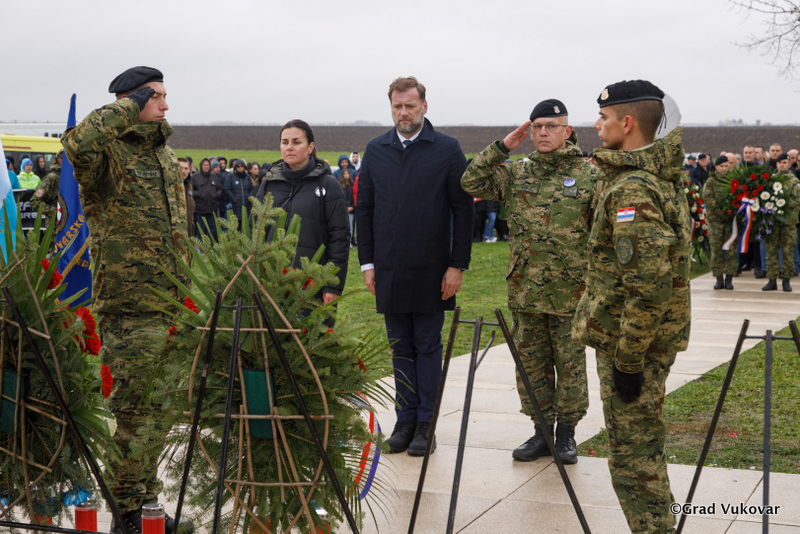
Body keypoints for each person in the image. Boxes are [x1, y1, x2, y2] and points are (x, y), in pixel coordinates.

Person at [61, 66, 191, 534]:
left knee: (160, 413)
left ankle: (145, 503)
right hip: (129, 308)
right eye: (155, 97)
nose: (165, 105)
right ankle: (126, 512)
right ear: (131, 101)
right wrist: (129, 106)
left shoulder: (164, 156)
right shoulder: (106, 154)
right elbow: (76, 144)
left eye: (164, 96)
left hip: (170, 304)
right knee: (135, 413)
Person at [573, 80, 691, 534]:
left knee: (634, 461)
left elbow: (648, 286)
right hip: (641, 340)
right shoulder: (648, 177)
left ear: (626, 123)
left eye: (603, 117)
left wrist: (627, 360)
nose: (596, 125)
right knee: (642, 451)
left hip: (634, 346)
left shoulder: (633, 189)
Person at [462, 99, 598, 465]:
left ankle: (566, 434)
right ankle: (541, 433)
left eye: (551, 126)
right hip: (526, 292)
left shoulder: (589, 174)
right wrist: (503, 147)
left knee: (570, 367)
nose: (543, 132)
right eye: (537, 126)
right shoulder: (517, 173)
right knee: (531, 368)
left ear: (567, 131)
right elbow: (470, 181)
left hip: (571, 293)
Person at [356, 76, 473, 456]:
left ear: (424, 106)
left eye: (410, 105)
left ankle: (426, 424)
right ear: (391, 108)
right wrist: (368, 263)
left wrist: (457, 265)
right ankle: (404, 422)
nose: (403, 113)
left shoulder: (447, 150)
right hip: (389, 268)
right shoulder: (376, 150)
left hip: (431, 270)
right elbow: (365, 209)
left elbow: (463, 210)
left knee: (426, 345)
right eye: (397, 106)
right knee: (400, 348)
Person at [255, 120, 349, 305]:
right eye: (285, 142)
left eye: (296, 142)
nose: (289, 147)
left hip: (312, 284)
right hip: (270, 284)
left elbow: (339, 236)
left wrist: (332, 285)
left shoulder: (329, 185)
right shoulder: (269, 184)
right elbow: (254, 230)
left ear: (310, 147)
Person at [763, 153, 800, 291]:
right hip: (773, 223)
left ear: (789, 164)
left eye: (784, 162)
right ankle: (772, 280)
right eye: (779, 163)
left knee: (787, 252)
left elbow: (797, 201)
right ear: (776, 164)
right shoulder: (770, 180)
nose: (782, 165)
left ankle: (786, 280)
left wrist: (782, 204)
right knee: (771, 251)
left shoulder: (794, 181)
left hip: (788, 223)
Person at [703, 155, 737, 289]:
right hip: (715, 222)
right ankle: (718, 278)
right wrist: (722, 213)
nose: (724, 169)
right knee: (716, 251)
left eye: (726, 166)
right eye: (721, 166)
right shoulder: (711, 182)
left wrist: (731, 212)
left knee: (730, 251)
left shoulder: (733, 180)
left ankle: (729, 279)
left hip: (730, 223)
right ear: (716, 167)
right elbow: (709, 200)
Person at [192, 158, 223, 242]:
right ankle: (201, 247)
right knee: (200, 229)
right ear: (201, 166)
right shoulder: (195, 177)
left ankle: (212, 246)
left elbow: (219, 188)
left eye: (207, 165)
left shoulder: (214, 177)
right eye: (204, 165)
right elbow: (190, 191)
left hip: (212, 209)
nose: (206, 167)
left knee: (212, 229)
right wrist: (198, 194)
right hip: (199, 209)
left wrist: (216, 195)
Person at [30, 149, 63, 226]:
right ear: (60, 161)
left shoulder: (73, 178)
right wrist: (57, 212)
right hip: (54, 226)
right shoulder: (51, 179)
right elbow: (34, 202)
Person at [224, 159, 258, 228]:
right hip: (235, 206)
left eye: (242, 166)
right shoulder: (231, 177)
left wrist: (249, 198)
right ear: (235, 167)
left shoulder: (247, 177)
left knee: (245, 226)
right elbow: (227, 189)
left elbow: (251, 188)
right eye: (238, 166)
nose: (240, 168)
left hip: (246, 206)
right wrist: (233, 198)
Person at [178, 157, 195, 237]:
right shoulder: (170, 186)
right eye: (181, 168)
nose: (183, 171)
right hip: (177, 232)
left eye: (186, 168)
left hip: (189, 230)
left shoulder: (189, 185)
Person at [339, 167, 356, 248]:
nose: (346, 175)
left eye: (347, 173)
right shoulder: (340, 185)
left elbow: (354, 196)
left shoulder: (352, 184)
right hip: (343, 209)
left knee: (351, 226)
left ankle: (349, 242)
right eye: (344, 174)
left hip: (351, 209)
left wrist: (352, 206)